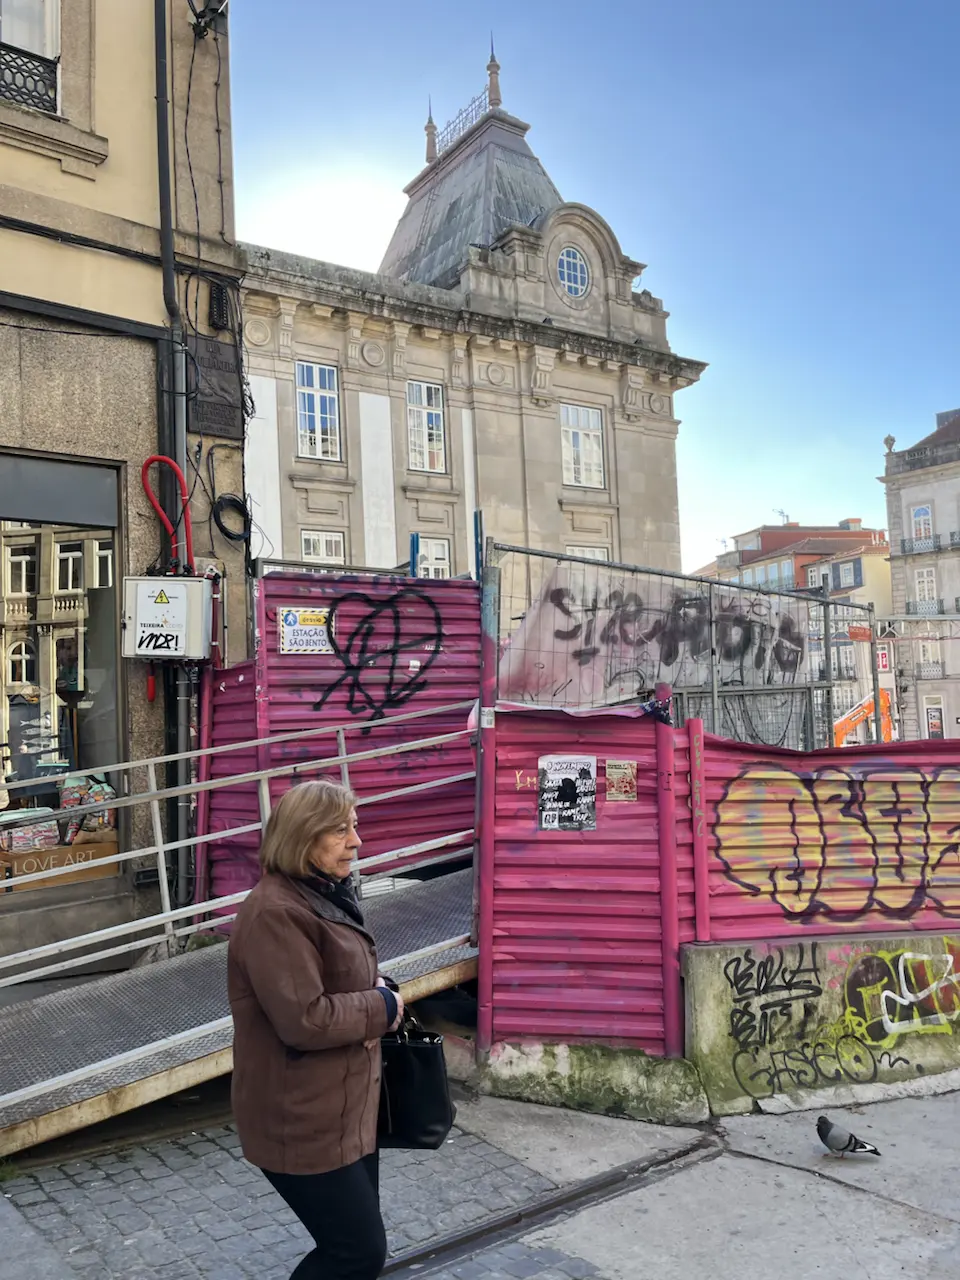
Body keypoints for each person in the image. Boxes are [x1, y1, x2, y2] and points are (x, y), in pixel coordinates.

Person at [228, 778, 403, 1279]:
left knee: (359, 1248)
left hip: (345, 1110)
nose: (357, 840)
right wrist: (381, 1005)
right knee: (355, 1252)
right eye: (342, 830)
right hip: (301, 1119)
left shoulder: (322, 892)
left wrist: (376, 986)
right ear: (305, 837)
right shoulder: (276, 912)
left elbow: (334, 976)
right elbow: (304, 1019)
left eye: (355, 826)